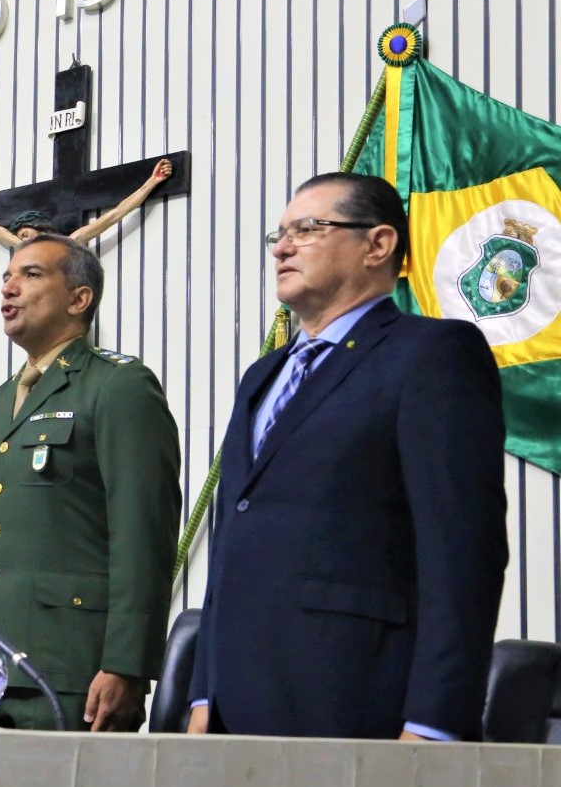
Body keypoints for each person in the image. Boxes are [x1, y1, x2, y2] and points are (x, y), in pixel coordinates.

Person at [187, 173, 508, 740]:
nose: (283, 247)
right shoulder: (262, 376)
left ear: (378, 245)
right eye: (278, 234)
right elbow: (234, 541)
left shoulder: (431, 356)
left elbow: (464, 552)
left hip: (354, 699)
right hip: (234, 710)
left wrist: (435, 722)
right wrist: (202, 696)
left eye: (308, 229)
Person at [0, 235, 181, 730]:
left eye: (31, 275)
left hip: (72, 668)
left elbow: (143, 534)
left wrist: (126, 664)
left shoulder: (118, 386)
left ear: (79, 299)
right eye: (6, 277)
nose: (10, 288)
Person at [0, 158, 173, 249]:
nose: (23, 241)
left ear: (40, 228)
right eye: (20, 238)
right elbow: (0, 233)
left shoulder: (70, 242)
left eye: (26, 234)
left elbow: (115, 215)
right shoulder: (22, 247)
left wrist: (152, 181)